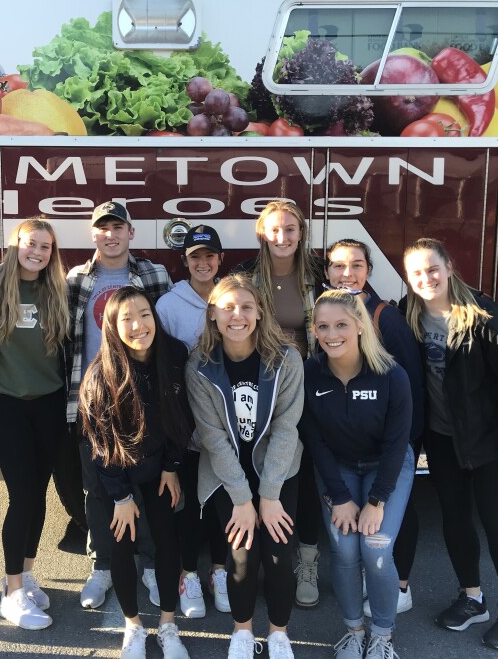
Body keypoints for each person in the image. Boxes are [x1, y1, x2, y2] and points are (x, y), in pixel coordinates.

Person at [403, 238, 498, 651]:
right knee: (455, 520)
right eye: (417, 273)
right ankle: (472, 596)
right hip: (442, 440)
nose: (426, 279)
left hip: (489, 442)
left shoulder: (485, 317)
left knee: (497, 523)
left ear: (450, 266)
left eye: (432, 269)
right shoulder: (410, 316)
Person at [186, 274, 304, 659]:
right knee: (241, 554)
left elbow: (287, 429)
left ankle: (279, 634)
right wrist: (242, 498)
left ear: (259, 313)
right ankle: (242, 631)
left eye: (246, 307)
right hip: (228, 471)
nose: (237, 316)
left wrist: (268, 496)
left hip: (278, 468)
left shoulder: (286, 358)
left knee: (278, 553)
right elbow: (213, 438)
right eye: (228, 308)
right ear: (213, 315)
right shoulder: (199, 366)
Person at [66, 201, 173, 609]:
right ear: (93, 235)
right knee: (96, 488)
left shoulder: (152, 274)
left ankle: (148, 564)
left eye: (118, 227)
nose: (110, 235)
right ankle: (103, 566)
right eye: (103, 228)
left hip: (142, 396)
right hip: (91, 397)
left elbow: (161, 331)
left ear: (131, 233)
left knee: (143, 487)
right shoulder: (77, 279)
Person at [80, 286, 193, 659]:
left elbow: (182, 419)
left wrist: (172, 467)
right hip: (118, 476)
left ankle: (167, 625)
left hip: (160, 467)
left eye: (144, 314)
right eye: (126, 318)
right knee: (122, 546)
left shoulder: (175, 354)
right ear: (112, 326)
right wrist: (121, 498)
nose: (138, 325)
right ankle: (132, 626)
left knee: (167, 540)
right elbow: (102, 445)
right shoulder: (100, 377)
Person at [301, 289, 414, 659]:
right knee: (345, 548)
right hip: (339, 470)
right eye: (323, 327)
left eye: (341, 325)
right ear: (315, 331)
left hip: (387, 467)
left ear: (360, 326)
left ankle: (382, 636)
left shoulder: (391, 374)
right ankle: (353, 631)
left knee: (377, 549)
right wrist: (341, 497)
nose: (332, 334)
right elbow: (315, 441)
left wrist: (376, 501)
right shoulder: (310, 373)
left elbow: (398, 444)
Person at [0, 218, 69, 630]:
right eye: (31, 244)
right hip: (6, 405)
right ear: (16, 245)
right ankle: (10, 594)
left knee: (40, 495)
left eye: (46, 247)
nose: (38, 252)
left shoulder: (59, 288)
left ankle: (26, 573)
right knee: (22, 495)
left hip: (49, 404)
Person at [233, 200, 326, 608]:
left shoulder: (321, 276)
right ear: (261, 234)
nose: (282, 237)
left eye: (290, 229)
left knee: (303, 478)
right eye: (274, 230)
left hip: (315, 390)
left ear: (301, 233)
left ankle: (307, 558)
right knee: (262, 471)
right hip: (263, 389)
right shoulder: (245, 277)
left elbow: (353, 313)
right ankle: (255, 560)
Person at [325, 239, 425, 616]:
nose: (347, 273)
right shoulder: (324, 313)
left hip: (391, 446)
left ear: (369, 271)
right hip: (346, 449)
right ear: (327, 271)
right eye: (338, 265)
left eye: (356, 265)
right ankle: (370, 583)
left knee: (398, 512)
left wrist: (405, 446)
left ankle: (399, 588)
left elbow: (412, 387)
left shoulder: (386, 318)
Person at [155, 225, 230, 617]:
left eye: (210, 256)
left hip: (225, 419)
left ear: (220, 260)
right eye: (195, 257)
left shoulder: (230, 299)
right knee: (186, 504)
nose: (203, 263)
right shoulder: (169, 305)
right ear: (184, 262)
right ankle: (188, 574)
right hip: (184, 423)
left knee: (220, 498)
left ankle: (219, 570)